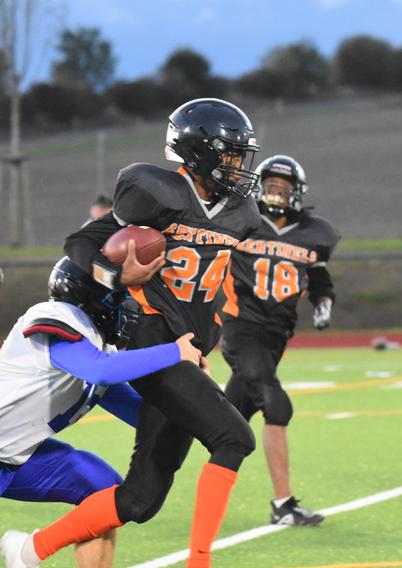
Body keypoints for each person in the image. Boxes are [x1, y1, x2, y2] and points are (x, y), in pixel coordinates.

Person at [9, 98, 263, 568]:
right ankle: (200, 562)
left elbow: (222, 278)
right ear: (198, 152)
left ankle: (29, 549)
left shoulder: (241, 212)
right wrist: (118, 282)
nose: (237, 165)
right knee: (235, 438)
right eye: (228, 153)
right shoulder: (156, 193)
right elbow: (83, 246)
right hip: (157, 346)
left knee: (139, 499)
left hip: (179, 354)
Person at [1, 258, 203, 568]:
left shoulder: (98, 349)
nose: (126, 307)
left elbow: (143, 415)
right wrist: (173, 352)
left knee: (104, 496)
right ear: (91, 299)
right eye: (119, 298)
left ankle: (29, 551)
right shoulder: (55, 319)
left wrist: (195, 400)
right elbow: (99, 371)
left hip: (16, 456)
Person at [221, 154, 339, 526]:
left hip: (276, 336)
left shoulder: (315, 232)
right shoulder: (242, 220)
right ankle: (282, 505)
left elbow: (319, 278)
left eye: (283, 188)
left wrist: (323, 302)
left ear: (298, 193)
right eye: (271, 186)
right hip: (241, 328)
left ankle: (156, 468)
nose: (276, 193)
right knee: (277, 405)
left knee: (226, 423)